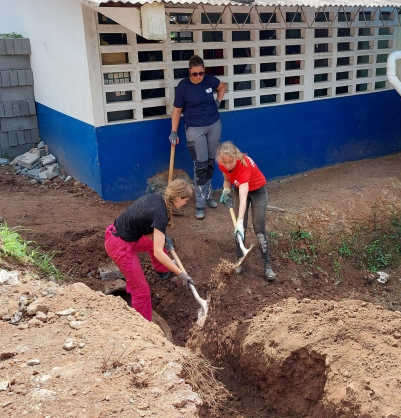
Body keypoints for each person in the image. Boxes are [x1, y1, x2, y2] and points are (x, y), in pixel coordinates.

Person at [104, 179, 196, 321]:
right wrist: (181, 274)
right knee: (141, 292)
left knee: (155, 244)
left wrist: (162, 237)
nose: (185, 204)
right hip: (119, 246)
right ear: (178, 198)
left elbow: (144, 225)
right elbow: (158, 252)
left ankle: (163, 272)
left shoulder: (158, 199)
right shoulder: (161, 215)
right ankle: (144, 328)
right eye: (185, 201)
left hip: (122, 235)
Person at [170, 55, 227, 220]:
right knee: (200, 165)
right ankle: (200, 205)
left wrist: (218, 102)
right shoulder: (183, 86)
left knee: (210, 162)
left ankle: (208, 196)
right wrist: (174, 132)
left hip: (214, 124)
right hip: (195, 129)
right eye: (195, 74)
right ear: (189, 71)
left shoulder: (209, 81)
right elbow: (177, 110)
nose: (198, 77)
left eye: (201, 73)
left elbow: (223, 87)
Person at [216, 141, 276, 281]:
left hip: (257, 192)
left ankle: (267, 266)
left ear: (236, 157)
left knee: (258, 228)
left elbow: (243, 198)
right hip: (239, 189)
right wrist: (226, 190)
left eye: (230, 161)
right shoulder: (222, 164)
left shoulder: (244, 166)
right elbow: (227, 179)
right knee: (239, 228)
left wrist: (240, 220)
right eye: (225, 162)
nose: (228, 165)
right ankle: (239, 259)